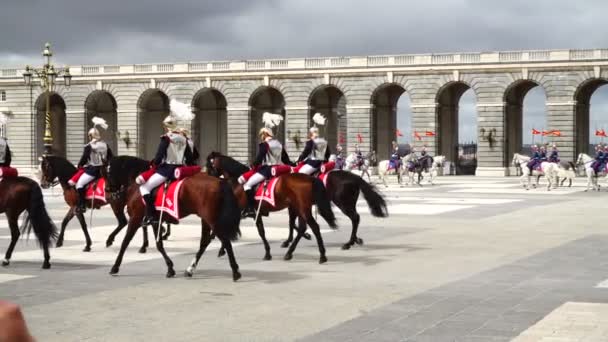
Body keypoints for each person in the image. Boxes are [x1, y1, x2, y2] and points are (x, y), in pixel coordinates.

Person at [140, 100, 195, 226]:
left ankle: (151, 215)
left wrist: (155, 165)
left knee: (144, 188)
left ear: (166, 126)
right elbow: (190, 158)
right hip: (180, 170)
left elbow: (159, 156)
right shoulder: (184, 139)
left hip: (166, 170)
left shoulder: (166, 138)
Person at [241, 113, 292, 218]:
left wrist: (253, 165)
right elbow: (285, 159)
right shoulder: (278, 144)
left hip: (267, 170)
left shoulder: (265, 144)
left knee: (247, 185)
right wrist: (292, 165)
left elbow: (260, 158)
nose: (261, 137)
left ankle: (250, 208)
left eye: (262, 135)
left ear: (264, 134)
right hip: (278, 168)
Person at [75, 117, 113, 213]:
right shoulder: (105, 145)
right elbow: (111, 157)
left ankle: (82, 204)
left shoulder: (89, 146)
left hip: (92, 171)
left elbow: (84, 158)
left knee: (79, 184)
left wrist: (79, 165)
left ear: (91, 136)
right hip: (103, 171)